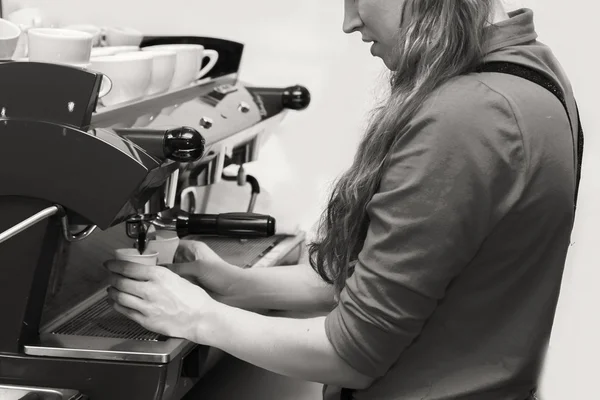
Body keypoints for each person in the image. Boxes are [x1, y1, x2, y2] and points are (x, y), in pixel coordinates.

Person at [105, 1, 581, 399]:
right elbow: (399, 285)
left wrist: (196, 316)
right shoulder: (533, 76)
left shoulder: (471, 115)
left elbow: (350, 354)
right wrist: (235, 287)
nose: (349, 20)